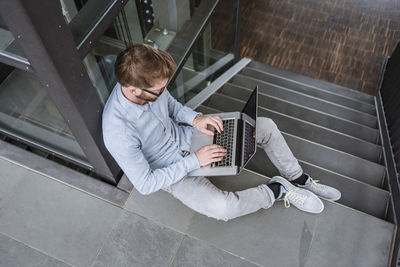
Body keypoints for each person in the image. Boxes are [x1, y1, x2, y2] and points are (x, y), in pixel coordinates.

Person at [102, 44, 341, 221]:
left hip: (190, 138)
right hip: (174, 173)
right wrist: (195, 161)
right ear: (133, 90)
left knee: (264, 126)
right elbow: (145, 184)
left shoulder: (149, 84)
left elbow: (172, 106)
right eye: (160, 89)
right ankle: (277, 190)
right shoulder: (117, 132)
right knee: (223, 209)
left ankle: (298, 178)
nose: (165, 91)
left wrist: (195, 119)